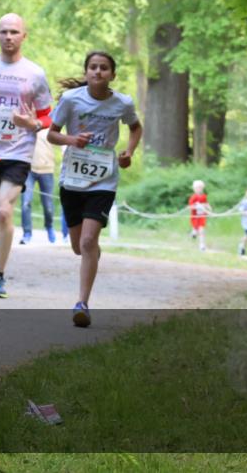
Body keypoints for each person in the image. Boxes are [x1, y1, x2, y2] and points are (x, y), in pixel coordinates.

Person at [47, 51, 142, 328]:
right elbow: (52, 133)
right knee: (79, 247)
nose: (98, 72)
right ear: (86, 72)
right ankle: (92, 254)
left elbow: (136, 128)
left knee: (89, 242)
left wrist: (129, 152)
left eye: (103, 68)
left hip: (104, 180)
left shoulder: (122, 103)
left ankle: (82, 304)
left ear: (112, 74)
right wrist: (72, 139)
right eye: (93, 67)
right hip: (72, 179)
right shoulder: (71, 100)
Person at [0, 13, 53, 298]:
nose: (8, 37)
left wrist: (33, 124)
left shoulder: (35, 73)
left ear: (24, 36)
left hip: (18, 152)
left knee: (5, 211)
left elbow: (47, 115)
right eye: (3, 31)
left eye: (14, 32)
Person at [20, 129, 57, 244]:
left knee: (48, 206)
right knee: (25, 202)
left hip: (47, 170)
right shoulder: (27, 124)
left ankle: (49, 226)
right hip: (28, 170)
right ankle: (27, 233)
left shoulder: (51, 126)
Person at [188, 180, 211, 251]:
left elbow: (206, 203)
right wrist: (197, 206)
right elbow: (190, 207)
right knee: (195, 230)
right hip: (195, 217)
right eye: (197, 188)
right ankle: (193, 233)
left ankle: (202, 245)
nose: (199, 189)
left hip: (202, 217)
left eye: (200, 188)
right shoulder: (193, 197)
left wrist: (209, 208)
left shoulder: (204, 196)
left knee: (201, 231)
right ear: (194, 189)